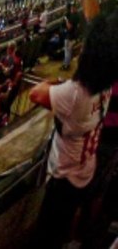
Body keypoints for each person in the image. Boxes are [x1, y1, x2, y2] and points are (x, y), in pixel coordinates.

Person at [30, 13, 116, 248]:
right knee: (65, 225)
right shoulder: (105, 85)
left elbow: (35, 93)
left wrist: (57, 83)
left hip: (65, 179)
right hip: (85, 169)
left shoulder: (75, 93)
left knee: (46, 236)